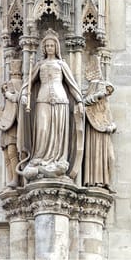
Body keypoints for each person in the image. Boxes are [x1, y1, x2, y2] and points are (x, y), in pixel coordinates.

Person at [18, 29, 84, 180]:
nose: (49, 48)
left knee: (57, 131)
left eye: (52, 46)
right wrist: (23, 95)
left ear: (56, 47)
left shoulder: (62, 64)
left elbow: (72, 85)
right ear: (44, 48)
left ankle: (57, 160)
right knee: (43, 129)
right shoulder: (40, 64)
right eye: (47, 46)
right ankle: (39, 158)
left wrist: (79, 101)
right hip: (42, 98)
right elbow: (28, 83)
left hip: (60, 100)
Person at [83, 55, 116, 191]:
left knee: (111, 158)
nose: (108, 93)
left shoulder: (105, 103)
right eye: (107, 90)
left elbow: (108, 117)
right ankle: (95, 182)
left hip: (104, 133)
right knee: (96, 157)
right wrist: (97, 96)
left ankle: (105, 182)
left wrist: (112, 126)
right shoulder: (95, 97)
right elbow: (85, 105)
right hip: (95, 133)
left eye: (109, 91)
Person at [0, 59, 22, 188]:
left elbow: (17, 99)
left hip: (14, 126)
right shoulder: (8, 87)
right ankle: (10, 179)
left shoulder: (16, 85)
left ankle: (16, 179)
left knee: (12, 153)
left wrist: (7, 93)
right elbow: (8, 108)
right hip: (6, 126)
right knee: (7, 155)